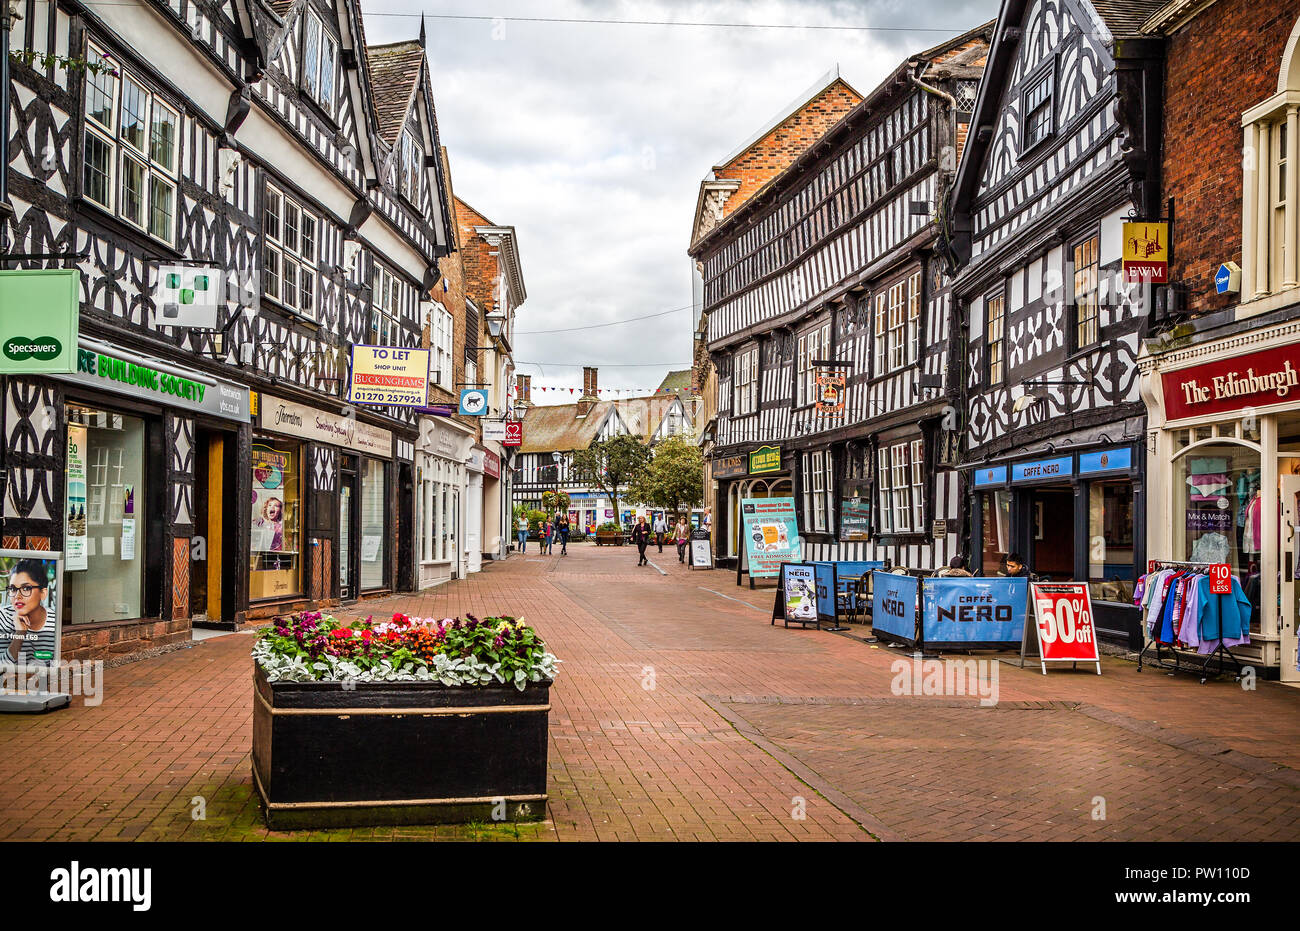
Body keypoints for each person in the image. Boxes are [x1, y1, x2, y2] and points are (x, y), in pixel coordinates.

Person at [0, 559, 57, 668]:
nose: (17, 596)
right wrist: (19, 635)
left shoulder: (54, 622)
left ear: (43, 593)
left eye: (26, 588)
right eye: (12, 589)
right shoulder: (3, 617)